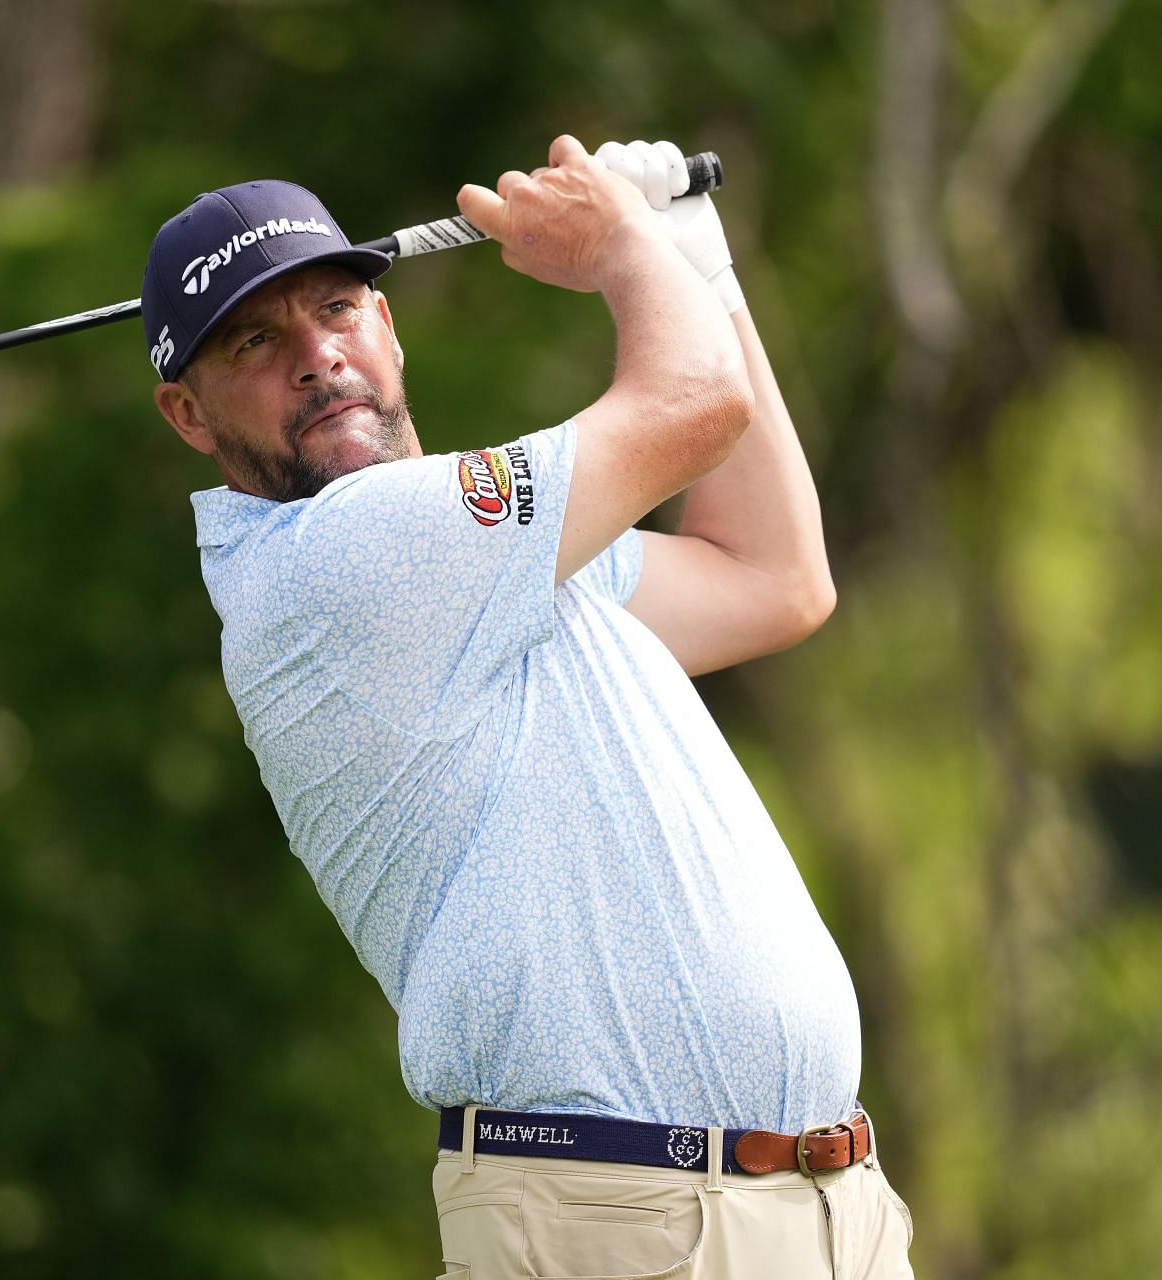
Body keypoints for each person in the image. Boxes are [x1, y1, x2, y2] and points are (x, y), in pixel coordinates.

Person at [141, 136, 915, 1279]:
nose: (318, 357)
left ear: (389, 329)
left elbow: (774, 575)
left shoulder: (493, 558)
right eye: (256, 340)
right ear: (189, 416)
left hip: (822, 1214)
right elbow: (694, 403)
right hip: (622, 1224)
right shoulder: (337, 562)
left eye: (340, 307)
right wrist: (621, 245)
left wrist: (693, 254)